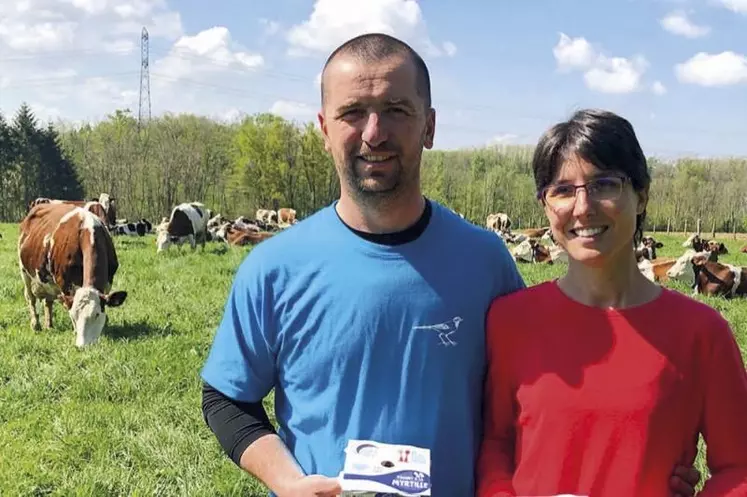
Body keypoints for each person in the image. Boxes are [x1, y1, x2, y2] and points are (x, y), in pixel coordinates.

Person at [199, 34, 702, 497]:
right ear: (324, 129)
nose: (374, 133)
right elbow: (226, 399)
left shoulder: (484, 260)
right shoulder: (274, 268)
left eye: (397, 109)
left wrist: (647, 467)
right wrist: (287, 481)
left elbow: (543, 400)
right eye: (353, 112)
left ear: (430, 126)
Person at [476, 109, 747, 497]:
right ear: (545, 206)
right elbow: (494, 446)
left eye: (605, 184)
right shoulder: (508, 322)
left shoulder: (702, 333)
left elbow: (739, 468)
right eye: (563, 190)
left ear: (641, 196)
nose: (584, 207)